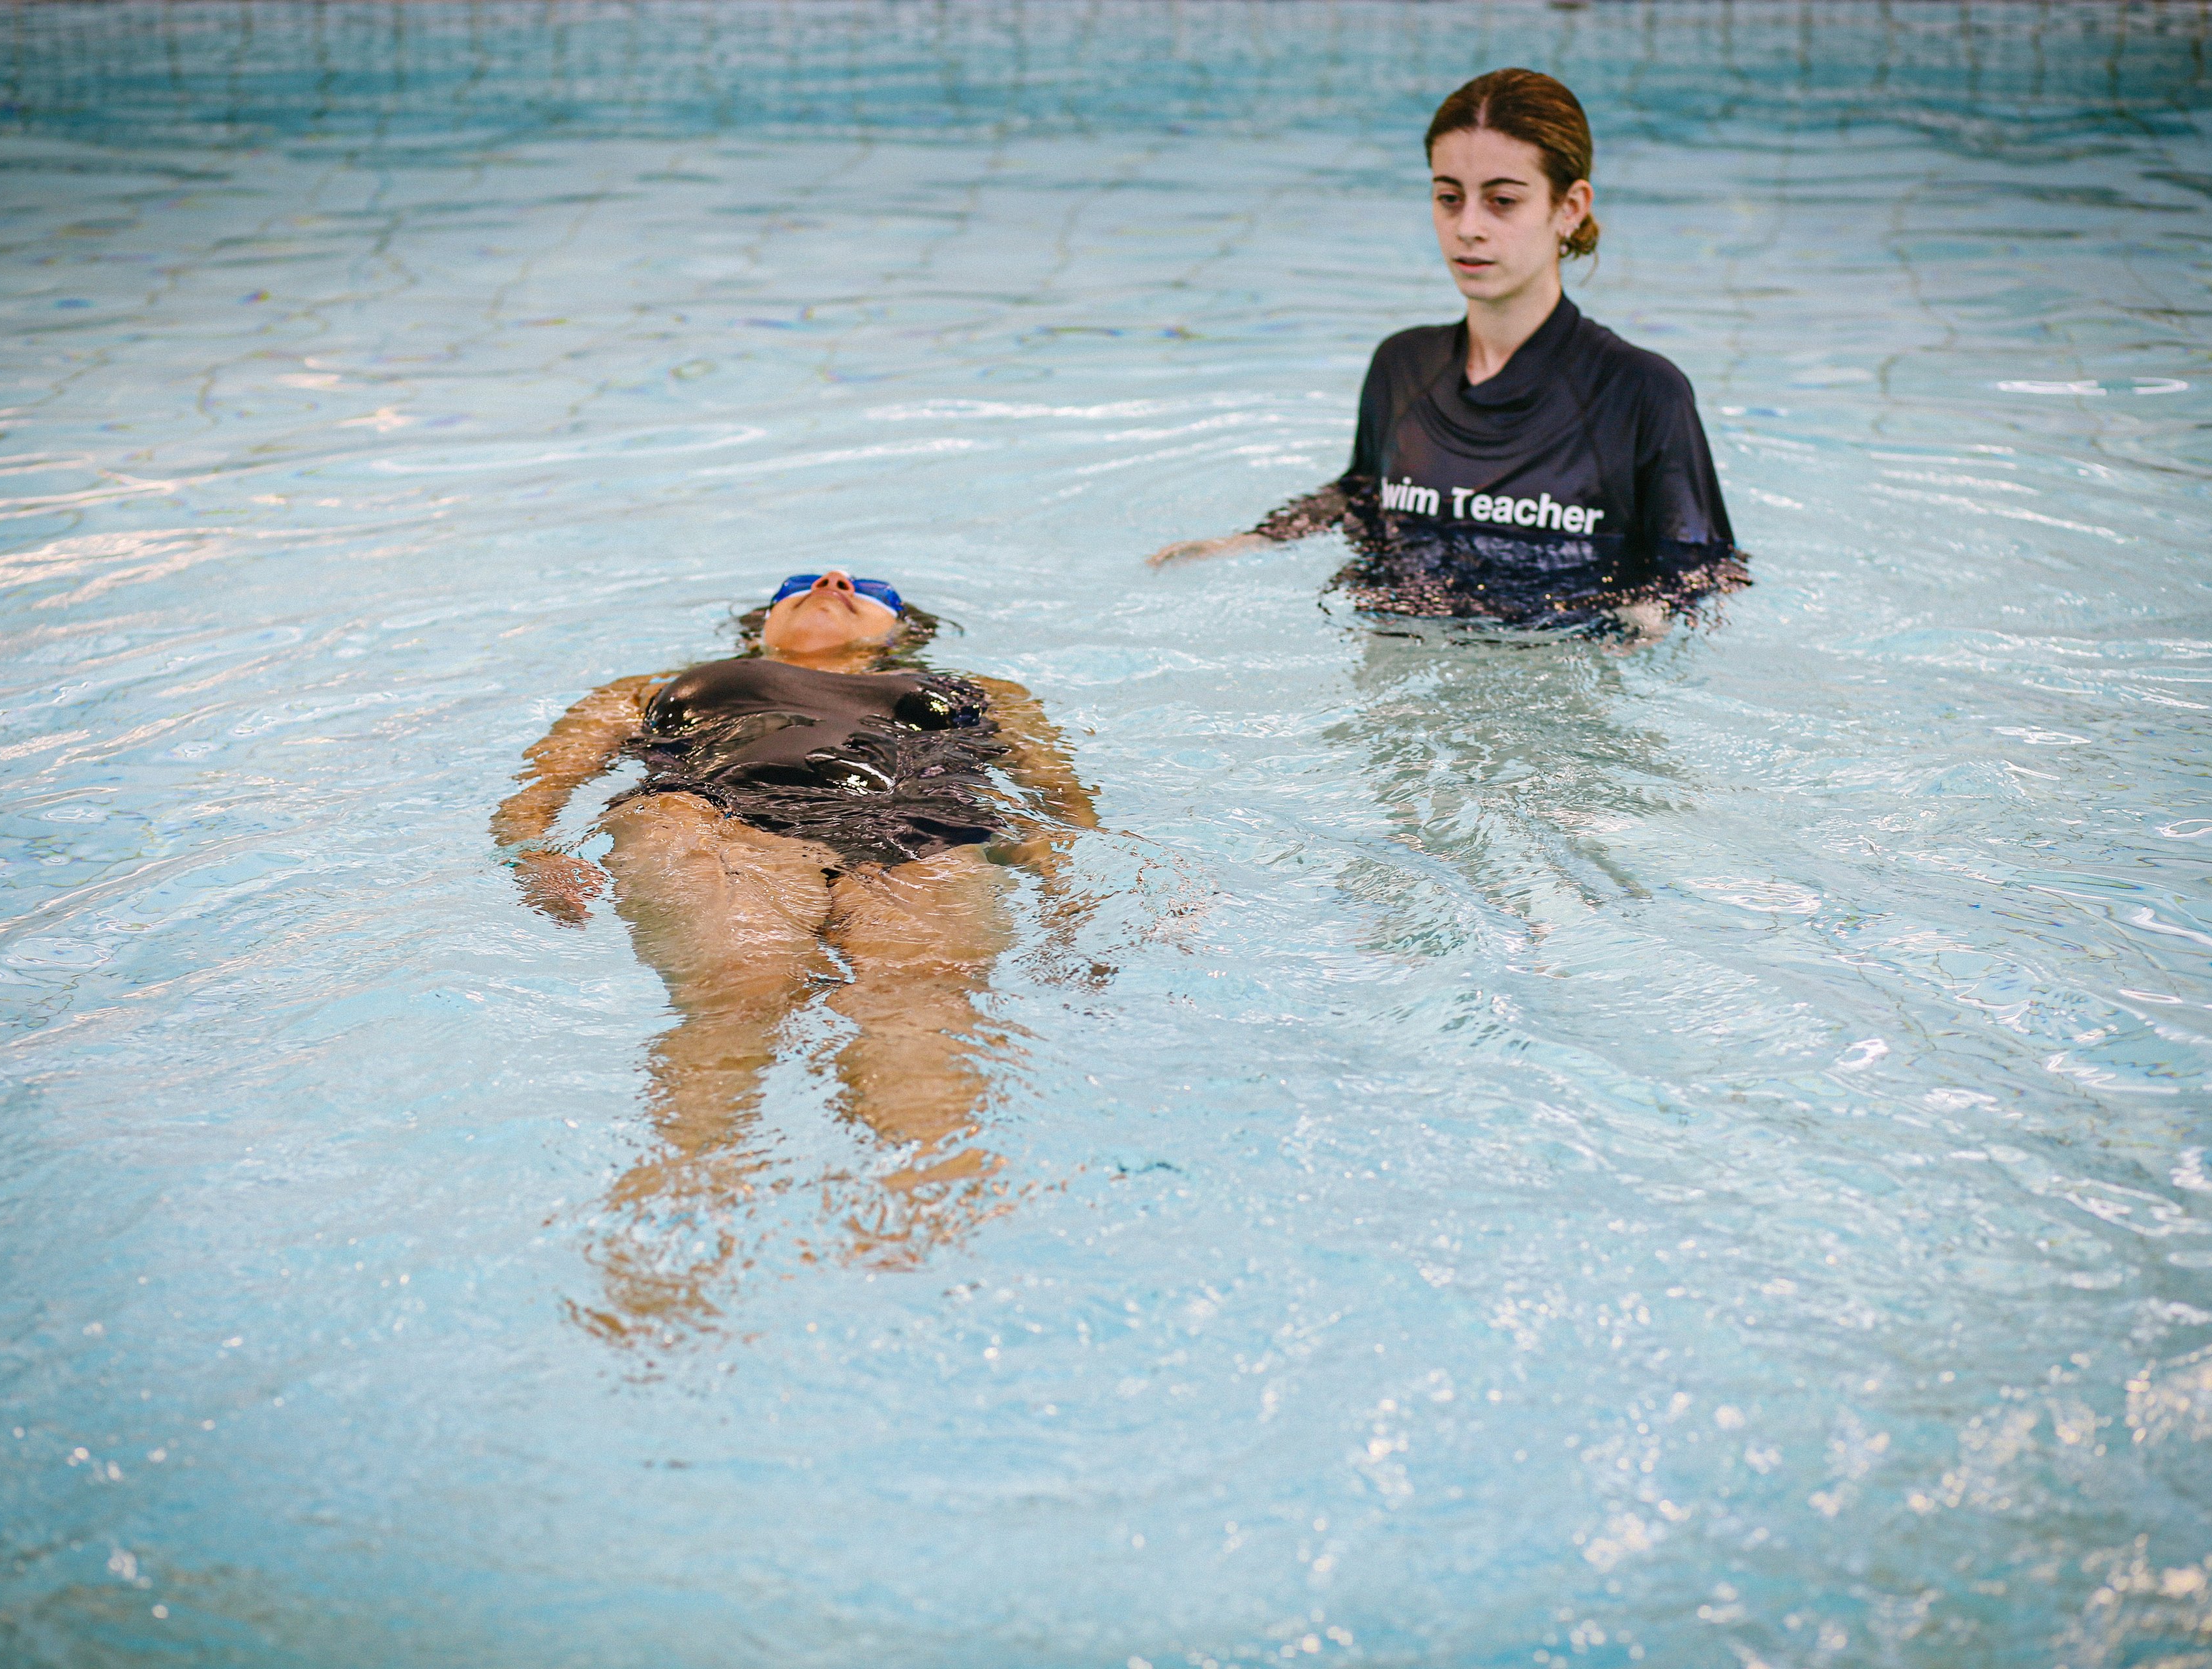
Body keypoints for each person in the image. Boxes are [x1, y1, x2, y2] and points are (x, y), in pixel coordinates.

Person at [493, 570, 1097, 1330]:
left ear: (903, 633)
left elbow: (1060, 799)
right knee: (743, 989)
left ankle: (930, 1244)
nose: (836, 581)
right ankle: (674, 1226)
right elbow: (542, 783)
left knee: (924, 996)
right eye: (802, 582)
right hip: (711, 816)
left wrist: (1067, 876)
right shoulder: (656, 686)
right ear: (763, 622)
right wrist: (533, 854)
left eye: (869, 588)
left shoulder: (979, 692)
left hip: (925, 828)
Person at [1149, 67, 1745, 634]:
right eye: (1449, 197)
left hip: (1553, 689)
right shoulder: (1402, 367)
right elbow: (1362, 494)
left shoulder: (1640, 391)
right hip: (1397, 671)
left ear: (1570, 208)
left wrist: (1653, 615)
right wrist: (1253, 542)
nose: (1468, 227)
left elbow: (1701, 569)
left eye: (1502, 201)